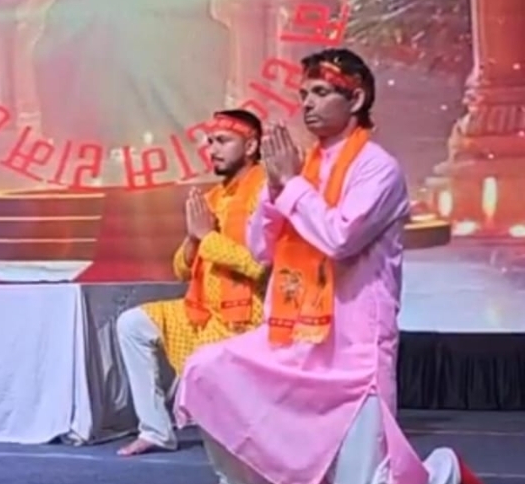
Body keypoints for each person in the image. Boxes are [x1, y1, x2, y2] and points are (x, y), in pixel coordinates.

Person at [174, 49, 482, 484]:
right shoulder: (299, 168)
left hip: (354, 349)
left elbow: (339, 238)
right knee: (207, 371)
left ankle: (444, 474)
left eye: (321, 93)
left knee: (365, 478)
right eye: (304, 95)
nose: (308, 104)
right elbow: (261, 250)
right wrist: (275, 190)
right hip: (293, 339)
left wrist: (291, 185)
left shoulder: (378, 169)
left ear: (356, 99)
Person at [115, 110, 268, 456]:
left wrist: (207, 237)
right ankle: (155, 430)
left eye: (223, 141)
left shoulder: (265, 194)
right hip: (203, 311)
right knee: (132, 324)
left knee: (205, 372)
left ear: (251, 146)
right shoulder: (213, 197)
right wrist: (193, 238)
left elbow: (259, 267)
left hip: (246, 317)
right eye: (210, 141)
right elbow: (182, 271)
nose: (212, 149)